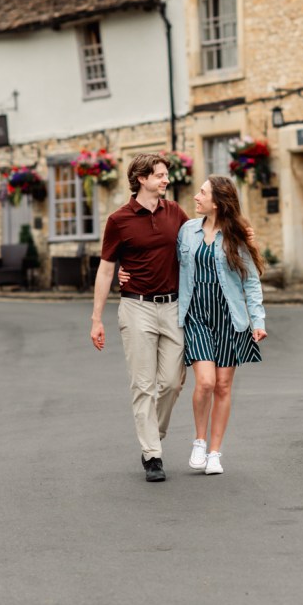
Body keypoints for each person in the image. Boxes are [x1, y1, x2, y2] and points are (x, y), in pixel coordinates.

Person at [90, 153, 188, 483]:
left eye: (165, 174)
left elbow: (195, 247)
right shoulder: (119, 220)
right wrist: (96, 319)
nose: (165, 179)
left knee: (172, 382)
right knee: (143, 384)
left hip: (173, 307)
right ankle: (152, 454)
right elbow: (105, 270)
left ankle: (152, 434)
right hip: (136, 308)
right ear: (141, 179)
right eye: (159, 175)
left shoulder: (175, 212)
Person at [177, 175, 267, 476]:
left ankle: (215, 452)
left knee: (224, 386)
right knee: (205, 382)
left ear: (216, 202)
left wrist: (258, 321)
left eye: (202, 193)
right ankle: (199, 441)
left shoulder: (237, 237)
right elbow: (167, 266)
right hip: (197, 316)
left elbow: (251, 282)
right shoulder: (187, 231)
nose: (196, 197)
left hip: (229, 318)